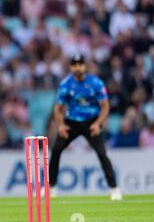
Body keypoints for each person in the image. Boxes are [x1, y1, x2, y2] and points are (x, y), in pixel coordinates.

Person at [49, 54, 122, 201]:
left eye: (80, 64)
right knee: (56, 151)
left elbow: (105, 106)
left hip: (91, 122)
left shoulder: (96, 83)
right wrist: (61, 125)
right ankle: (51, 188)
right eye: (75, 65)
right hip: (72, 122)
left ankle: (114, 189)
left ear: (85, 66)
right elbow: (57, 108)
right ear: (71, 67)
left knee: (102, 154)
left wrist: (98, 123)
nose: (78, 67)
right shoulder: (65, 84)